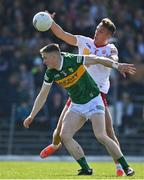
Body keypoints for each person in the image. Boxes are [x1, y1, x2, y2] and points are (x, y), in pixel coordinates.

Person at [23, 43, 135, 176]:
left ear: (54, 57)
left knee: (101, 135)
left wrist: (118, 66)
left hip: (93, 100)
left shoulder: (72, 59)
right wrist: (32, 115)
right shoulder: (50, 73)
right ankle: (86, 169)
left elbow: (97, 59)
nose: (44, 61)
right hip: (76, 104)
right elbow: (43, 94)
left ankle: (126, 167)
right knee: (65, 136)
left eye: (45, 58)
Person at [40, 16, 126, 176]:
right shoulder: (83, 41)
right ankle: (55, 145)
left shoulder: (111, 48)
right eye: (97, 29)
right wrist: (50, 23)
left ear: (108, 36)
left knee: (108, 131)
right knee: (59, 130)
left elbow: (114, 59)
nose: (96, 33)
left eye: (101, 32)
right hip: (78, 90)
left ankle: (119, 165)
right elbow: (62, 34)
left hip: (97, 93)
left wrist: (110, 61)